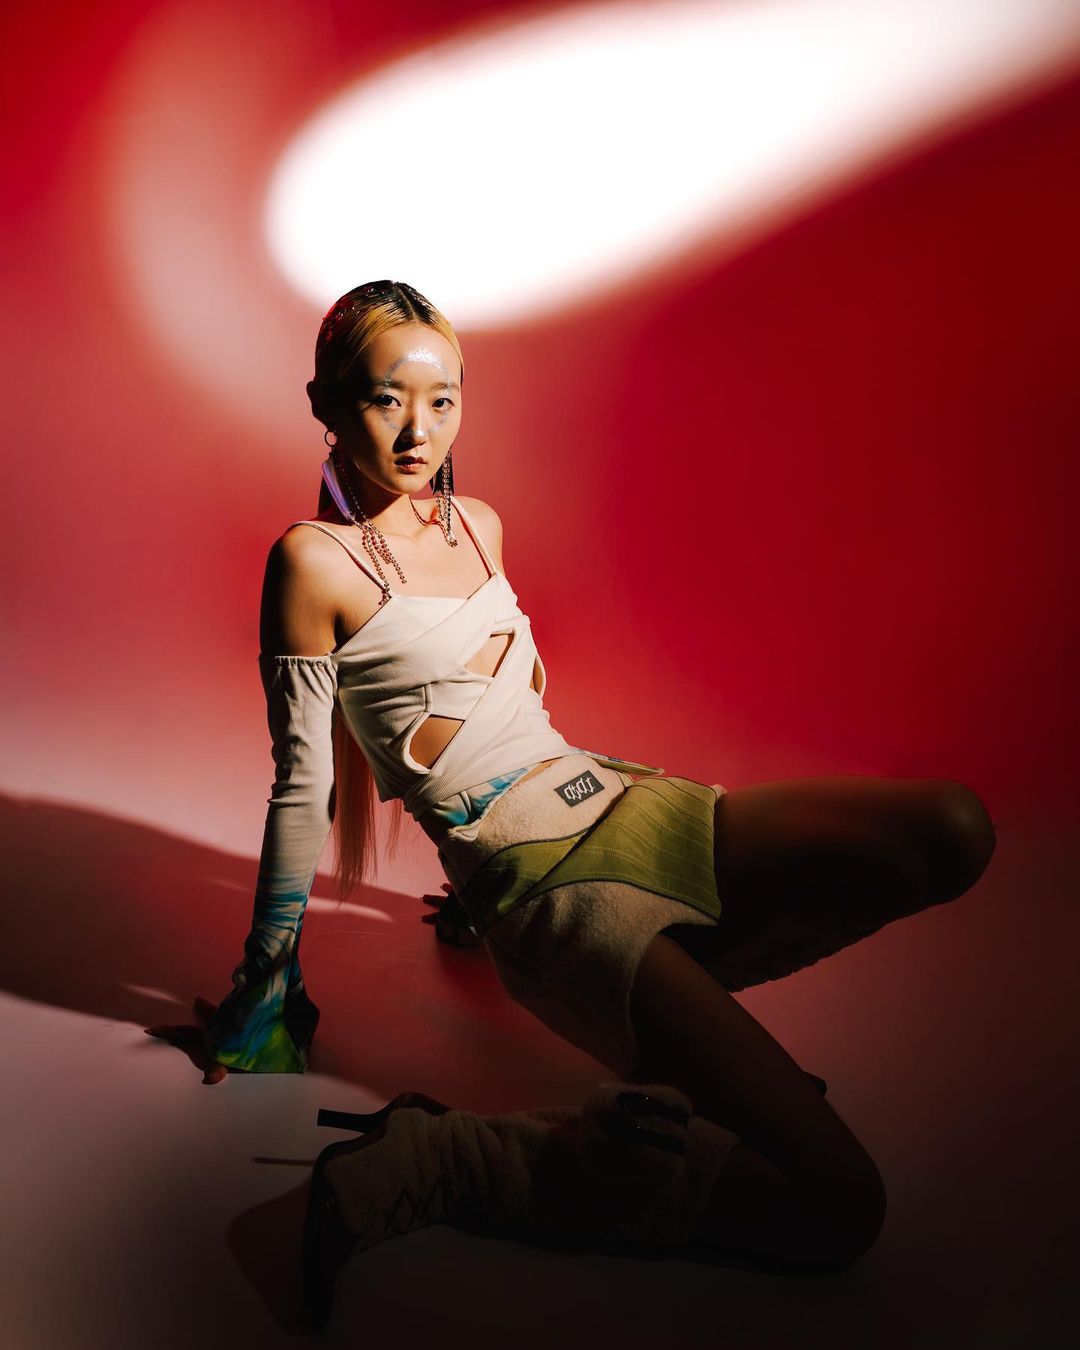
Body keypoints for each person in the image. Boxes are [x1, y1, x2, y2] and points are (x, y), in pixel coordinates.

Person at [147, 280, 997, 1328]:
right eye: (384, 400)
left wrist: (463, 909)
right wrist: (264, 988)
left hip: (623, 800)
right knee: (842, 1213)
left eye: (443, 400)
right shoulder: (311, 562)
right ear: (325, 403)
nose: (419, 431)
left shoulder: (479, 524)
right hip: (552, 891)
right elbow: (301, 788)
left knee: (953, 830)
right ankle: (450, 1157)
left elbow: (509, 712)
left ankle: (698, 1039)